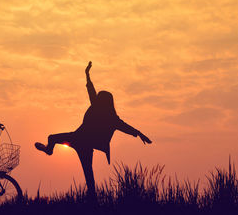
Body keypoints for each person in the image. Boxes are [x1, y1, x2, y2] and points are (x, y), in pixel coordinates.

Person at [35, 61, 152, 201]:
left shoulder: (102, 111)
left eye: (99, 97)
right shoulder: (111, 117)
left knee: (53, 138)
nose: (96, 98)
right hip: (85, 145)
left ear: (102, 101)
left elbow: (92, 92)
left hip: (78, 140)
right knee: (88, 173)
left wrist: (87, 75)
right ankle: (93, 199)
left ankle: (49, 150)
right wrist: (140, 134)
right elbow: (126, 126)